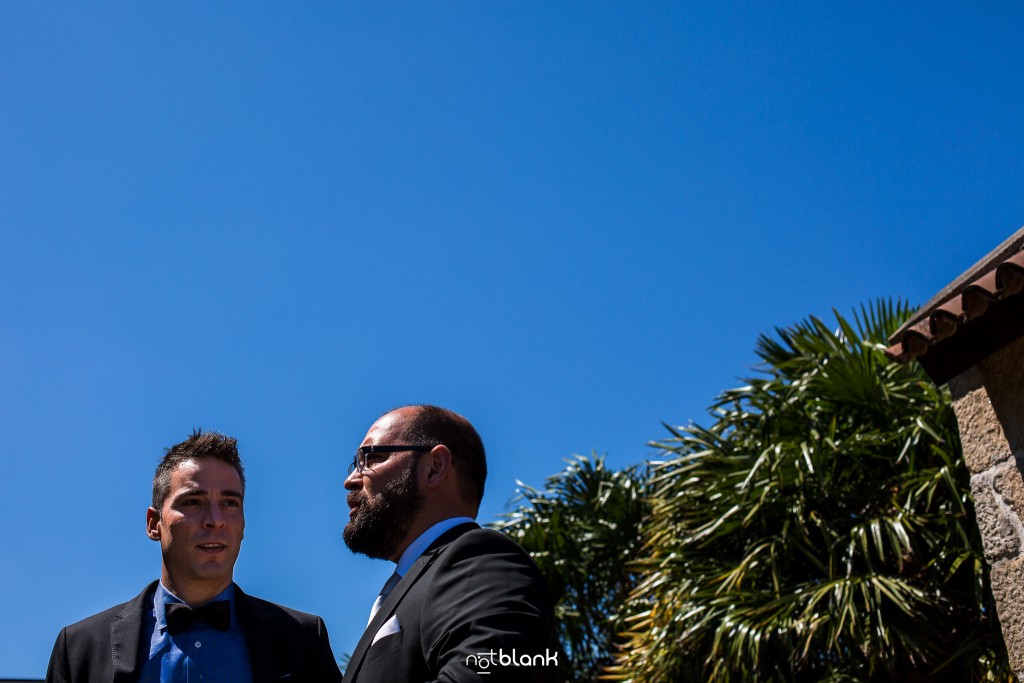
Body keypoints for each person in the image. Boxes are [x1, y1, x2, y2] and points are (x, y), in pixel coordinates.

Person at [46, 430, 343, 683]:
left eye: (229, 502)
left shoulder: (303, 639)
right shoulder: (80, 648)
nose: (215, 520)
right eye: (193, 502)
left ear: (243, 523)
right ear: (154, 524)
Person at [342, 405, 561, 683]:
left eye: (372, 458)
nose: (350, 480)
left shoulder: (481, 561)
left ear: (435, 467)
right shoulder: (413, 583)